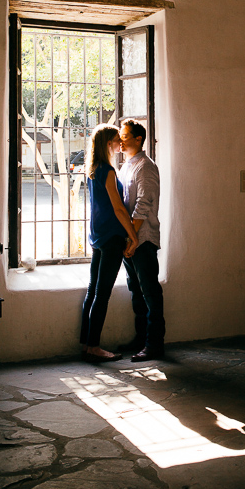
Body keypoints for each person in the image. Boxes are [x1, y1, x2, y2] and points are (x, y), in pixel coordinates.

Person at [80, 124, 138, 362]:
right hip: (112, 238)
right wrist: (133, 235)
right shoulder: (109, 171)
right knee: (102, 293)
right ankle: (94, 346)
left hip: (97, 235)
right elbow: (118, 207)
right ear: (108, 144)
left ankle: (86, 343)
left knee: (93, 290)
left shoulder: (93, 169)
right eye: (117, 139)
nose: (120, 143)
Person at [118, 119, 165, 362]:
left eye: (125, 136)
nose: (121, 140)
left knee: (149, 293)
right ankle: (141, 339)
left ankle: (154, 344)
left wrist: (134, 237)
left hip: (143, 239)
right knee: (136, 292)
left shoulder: (146, 167)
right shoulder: (127, 165)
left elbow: (144, 204)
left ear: (138, 139)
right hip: (131, 239)